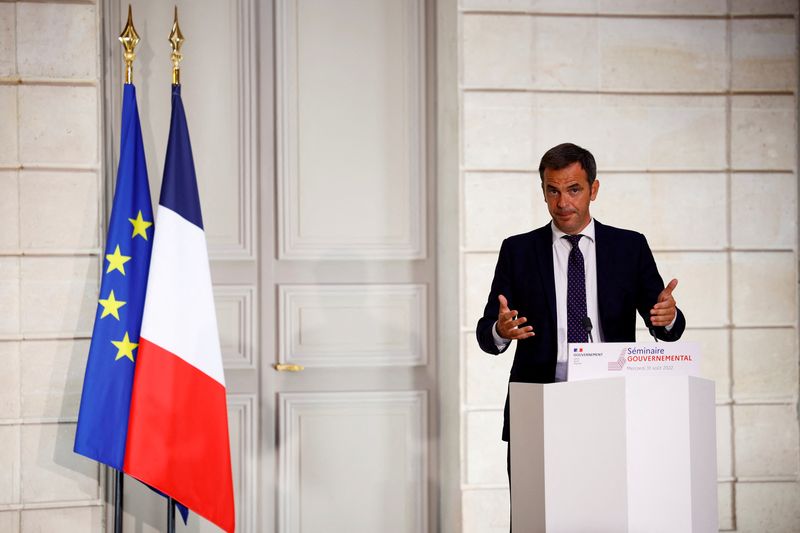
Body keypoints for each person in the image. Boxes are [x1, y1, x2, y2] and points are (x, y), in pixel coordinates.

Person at [475, 142, 686, 476]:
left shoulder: (629, 247)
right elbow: (487, 333)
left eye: (574, 190)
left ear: (594, 189)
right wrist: (500, 331)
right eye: (553, 191)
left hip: (612, 396)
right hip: (539, 401)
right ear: (543, 192)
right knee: (538, 520)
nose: (563, 203)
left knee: (608, 511)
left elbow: (662, 320)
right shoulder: (518, 251)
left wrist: (668, 318)